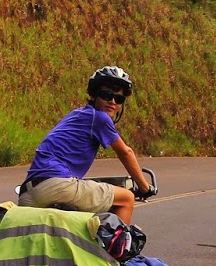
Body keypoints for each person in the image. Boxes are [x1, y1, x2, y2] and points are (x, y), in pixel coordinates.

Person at [15, 65, 152, 225]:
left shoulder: (76, 115)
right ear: (94, 95)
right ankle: (117, 242)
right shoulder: (100, 118)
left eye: (119, 99)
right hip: (57, 186)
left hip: (28, 194)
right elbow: (125, 153)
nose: (112, 102)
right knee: (126, 198)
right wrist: (145, 187)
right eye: (106, 95)